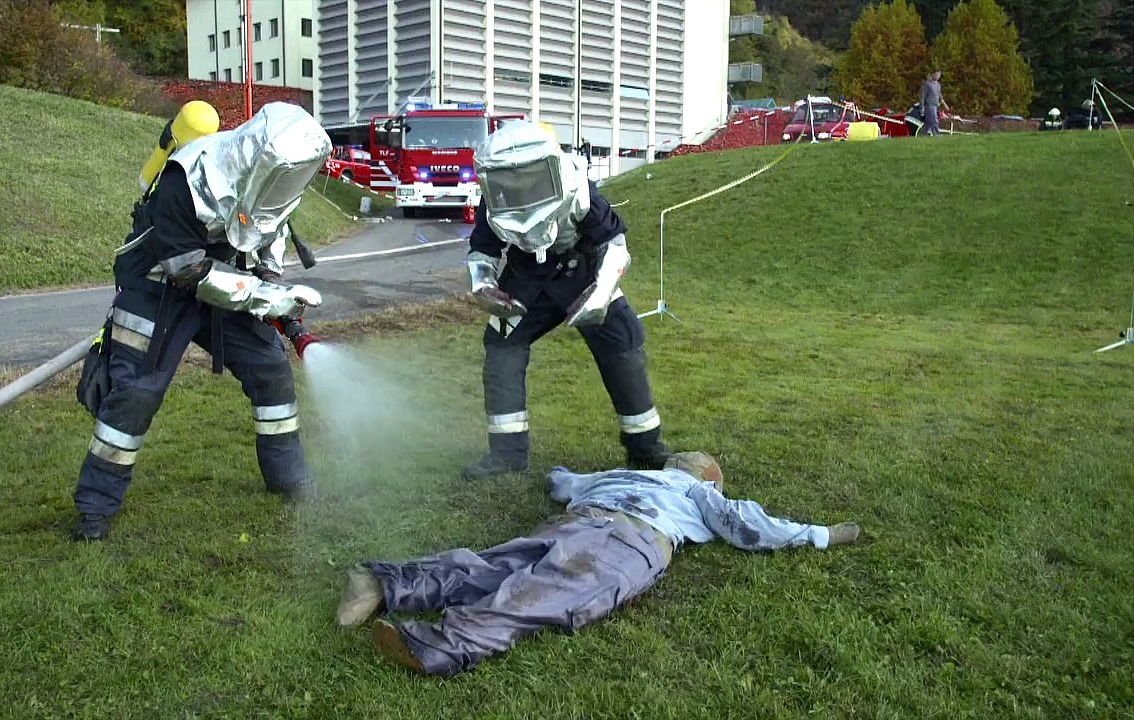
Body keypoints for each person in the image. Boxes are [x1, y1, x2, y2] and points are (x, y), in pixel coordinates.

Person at [335, 451, 861, 676]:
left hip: (583, 516)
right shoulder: (696, 492)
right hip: (631, 541)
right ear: (707, 477)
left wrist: (561, 471)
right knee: (544, 595)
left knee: (497, 564)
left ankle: (382, 582)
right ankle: (439, 646)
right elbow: (747, 525)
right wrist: (819, 535)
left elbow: (562, 481)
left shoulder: (619, 474)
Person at [71, 102, 331, 541]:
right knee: (136, 391)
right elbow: (187, 270)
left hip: (222, 279)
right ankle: (94, 510)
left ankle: (290, 478)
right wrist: (266, 296)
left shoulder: (278, 179)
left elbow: (271, 230)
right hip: (157, 284)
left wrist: (272, 285)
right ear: (260, 157)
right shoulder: (185, 176)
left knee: (269, 368)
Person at [461, 120, 670, 480]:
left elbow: (615, 246)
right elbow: (483, 251)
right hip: (526, 279)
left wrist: (600, 294)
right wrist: (483, 287)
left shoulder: (578, 188)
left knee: (622, 340)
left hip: (582, 272)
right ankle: (507, 454)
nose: (519, 187)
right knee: (501, 346)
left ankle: (646, 448)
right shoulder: (491, 199)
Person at [920, 70, 949, 137]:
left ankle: (922, 135)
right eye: (936, 75)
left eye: (939, 75)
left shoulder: (938, 85)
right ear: (932, 74)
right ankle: (936, 134)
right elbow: (922, 97)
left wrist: (945, 105)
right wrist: (922, 108)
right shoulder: (927, 84)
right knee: (934, 120)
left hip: (935, 106)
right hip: (929, 105)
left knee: (927, 122)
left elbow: (940, 96)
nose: (937, 77)